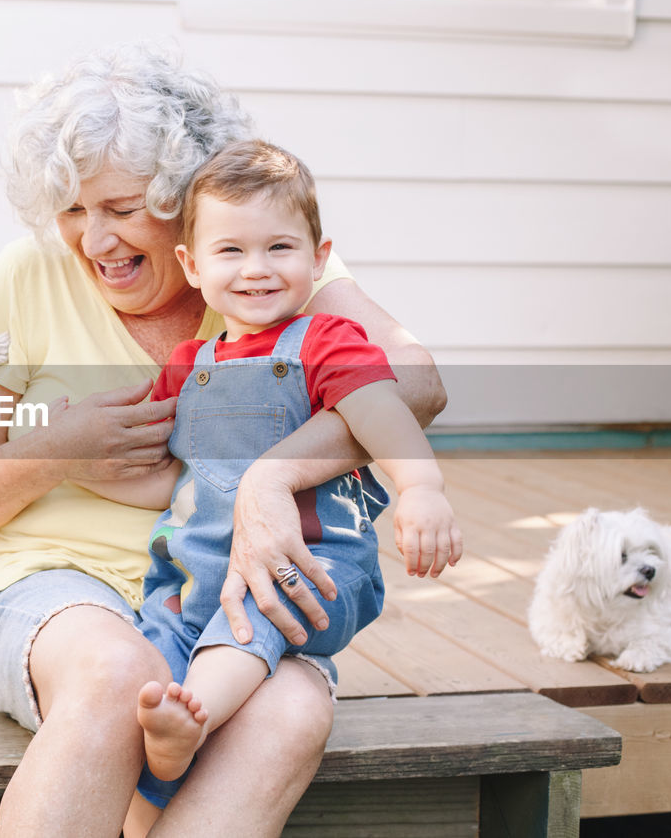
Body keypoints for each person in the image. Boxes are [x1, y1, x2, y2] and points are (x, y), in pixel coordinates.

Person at [0, 43, 448, 838]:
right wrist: (61, 443)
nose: (93, 240)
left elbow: (417, 383)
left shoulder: (261, 262)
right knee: (117, 671)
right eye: (71, 209)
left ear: (187, 200)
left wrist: (271, 476)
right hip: (63, 588)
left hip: (235, 597)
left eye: (122, 207)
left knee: (295, 706)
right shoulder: (29, 274)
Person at [70, 139, 463, 790]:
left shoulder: (328, 341)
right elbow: (176, 476)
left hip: (309, 567)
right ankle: (162, 754)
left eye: (279, 247)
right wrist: (79, 466)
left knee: (247, 618)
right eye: (231, 251)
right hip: (194, 577)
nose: (256, 268)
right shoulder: (188, 366)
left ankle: (195, 719)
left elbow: (381, 410)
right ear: (192, 265)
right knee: (151, 663)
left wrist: (421, 484)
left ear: (320, 257)